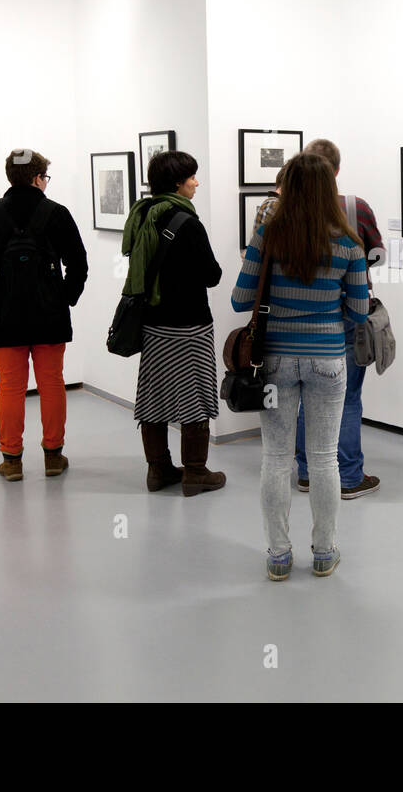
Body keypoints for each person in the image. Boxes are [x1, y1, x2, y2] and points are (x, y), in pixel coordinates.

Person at [232, 151, 370, 580]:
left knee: (275, 457)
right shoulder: (349, 241)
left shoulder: (268, 237)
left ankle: (278, 554)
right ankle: (325, 551)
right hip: (328, 358)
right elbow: (361, 310)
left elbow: (240, 300)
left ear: (286, 187)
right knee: (325, 457)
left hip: (275, 362)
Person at [0, 149, 88, 482]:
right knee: (51, 384)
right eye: (45, 177)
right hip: (49, 314)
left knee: (10, 386)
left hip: (3, 315)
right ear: (37, 178)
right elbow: (78, 263)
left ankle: (12, 460)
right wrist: (66, 298)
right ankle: (52, 456)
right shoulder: (56, 213)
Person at [122, 150, 224, 496]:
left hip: (153, 324)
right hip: (190, 325)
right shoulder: (187, 223)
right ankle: (195, 472)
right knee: (194, 396)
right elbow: (212, 275)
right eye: (192, 177)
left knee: (154, 395)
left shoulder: (143, 215)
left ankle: (158, 470)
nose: (197, 182)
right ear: (178, 183)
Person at [291, 139, 385, 500]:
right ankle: (347, 476)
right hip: (347, 310)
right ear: (337, 170)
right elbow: (375, 252)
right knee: (346, 397)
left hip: (296, 316)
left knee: (303, 396)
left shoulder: (286, 212)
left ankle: (306, 473)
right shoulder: (353, 207)